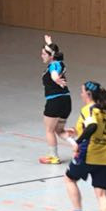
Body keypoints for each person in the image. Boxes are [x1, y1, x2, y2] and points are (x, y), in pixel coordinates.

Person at [63, 80, 106, 211]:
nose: (80, 94)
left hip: (90, 152)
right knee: (102, 193)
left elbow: (92, 127)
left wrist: (77, 142)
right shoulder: (103, 111)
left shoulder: (89, 109)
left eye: (82, 91)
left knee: (69, 178)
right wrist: (76, 130)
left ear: (88, 94)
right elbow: (92, 127)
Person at [39, 33, 71, 164]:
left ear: (51, 56)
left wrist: (56, 79)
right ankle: (78, 146)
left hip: (54, 102)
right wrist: (49, 43)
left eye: (43, 54)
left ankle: (53, 156)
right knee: (59, 130)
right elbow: (53, 51)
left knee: (49, 130)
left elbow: (53, 75)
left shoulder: (53, 66)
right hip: (66, 102)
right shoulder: (60, 63)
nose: (41, 56)